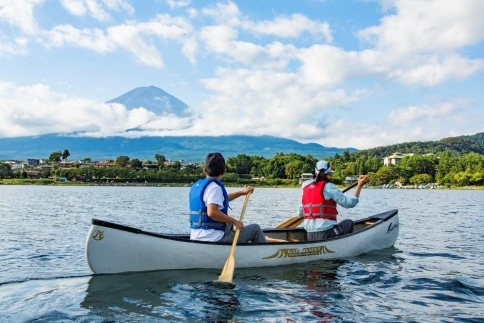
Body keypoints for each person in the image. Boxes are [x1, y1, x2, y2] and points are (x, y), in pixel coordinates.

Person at [189, 152, 266, 243]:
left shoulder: (198, 186)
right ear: (224, 171)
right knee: (255, 229)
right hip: (215, 238)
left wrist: (241, 192)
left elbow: (219, 200)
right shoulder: (215, 187)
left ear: (204, 169)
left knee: (232, 228)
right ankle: (265, 256)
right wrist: (235, 222)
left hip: (195, 236)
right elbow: (212, 212)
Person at [299, 159, 370, 241]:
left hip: (310, 235)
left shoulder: (305, 187)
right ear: (329, 174)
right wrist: (359, 186)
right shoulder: (329, 186)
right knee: (348, 223)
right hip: (326, 233)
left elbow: (300, 213)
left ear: (315, 173)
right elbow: (349, 203)